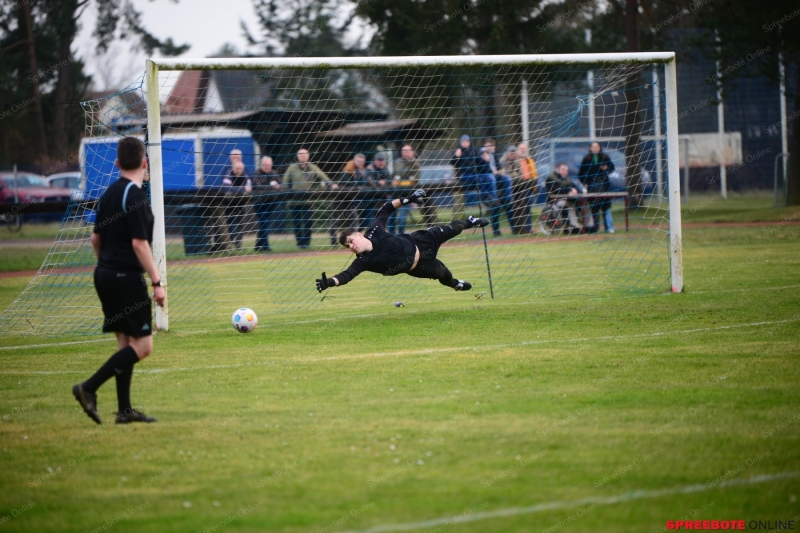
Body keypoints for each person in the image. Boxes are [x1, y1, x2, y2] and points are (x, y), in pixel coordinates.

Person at [72, 137, 164, 425]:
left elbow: (95, 238)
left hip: (104, 275)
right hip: (125, 277)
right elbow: (139, 244)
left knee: (125, 345)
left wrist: (106, 265)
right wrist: (157, 282)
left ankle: (124, 411)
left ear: (117, 163)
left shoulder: (109, 193)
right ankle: (88, 387)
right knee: (144, 346)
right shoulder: (135, 197)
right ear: (144, 164)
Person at [315, 190, 489, 293]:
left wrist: (408, 199)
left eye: (351, 241)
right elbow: (346, 276)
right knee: (444, 274)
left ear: (360, 235)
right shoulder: (363, 261)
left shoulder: (374, 230)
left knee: (455, 228)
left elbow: (386, 208)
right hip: (419, 266)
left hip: (421, 241)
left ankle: (470, 221)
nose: (351, 246)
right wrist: (329, 282)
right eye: (348, 246)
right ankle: (456, 284)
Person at [283, 148, 337, 248]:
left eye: (305, 154)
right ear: (297, 156)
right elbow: (285, 180)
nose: (303, 156)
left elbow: (323, 176)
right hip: (294, 201)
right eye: (301, 154)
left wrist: (331, 184)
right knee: (297, 224)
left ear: (308, 156)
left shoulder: (312, 167)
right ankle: (300, 244)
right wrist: (287, 189)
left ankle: (306, 243)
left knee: (308, 222)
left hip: (307, 201)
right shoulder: (292, 168)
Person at [390, 144, 437, 234]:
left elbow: (413, 180)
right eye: (404, 151)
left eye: (408, 150)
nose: (406, 153)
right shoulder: (397, 162)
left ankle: (400, 236)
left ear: (412, 152)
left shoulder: (415, 163)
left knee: (401, 219)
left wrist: (399, 181)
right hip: (395, 193)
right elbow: (393, 178)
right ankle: (391, 235)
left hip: (407, 194)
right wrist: (398, 181)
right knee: (390, 215)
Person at [330, 153, 369, 245]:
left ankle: (354, 238)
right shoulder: (346, 172)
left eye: (362, 161)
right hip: (339, 199)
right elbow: (346, 184)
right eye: (359, 161)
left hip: (349, 199)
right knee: (334, 220)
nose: (361, 163)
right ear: (354, 161)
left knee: (355, 218)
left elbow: (362, 184)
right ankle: (333, 241)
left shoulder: (361, 172)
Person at [578, 141, 615, 234]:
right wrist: (585, 183)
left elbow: (612, 168)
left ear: (600, 148)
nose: (595, 148)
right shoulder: (586, 159)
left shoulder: (605, 157)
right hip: (592, 187)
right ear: (590, 148)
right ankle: (595, 228)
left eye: (597, 146)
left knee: (606, 207)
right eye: (593, 147)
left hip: (604, 186)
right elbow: (581, 173)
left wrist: (606, 169)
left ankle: (609, 227)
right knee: (594, 208)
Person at [252, 156, 282, 252]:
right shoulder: (257, 173)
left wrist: (277, 185)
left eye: (269, 165)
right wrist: (272, 186)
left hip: (271, 203)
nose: (267, 167)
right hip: (259, 203)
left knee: (265, 224)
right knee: (264, 223)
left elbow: (281, 184)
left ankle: (258, 246)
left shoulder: (274, 173)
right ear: (261, 165)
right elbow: (257, 186)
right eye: (265, 165)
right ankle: (265, 246)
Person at [484, 139, 513, 237]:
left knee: (508, 206)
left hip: (500, 189)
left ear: (494, 147)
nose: (490, 147)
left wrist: (501, 171)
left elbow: (500, 168)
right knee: (495, 207)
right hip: (489, 191)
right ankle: (496, 231)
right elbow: (482, 171)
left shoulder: (495, 156)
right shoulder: (481, 156)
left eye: (491, 146)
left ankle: (514, 229)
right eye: (488, 145)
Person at [223, 160, 252, 250]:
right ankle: (229, 244)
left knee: (240, 224)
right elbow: (227, 187)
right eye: (237, 168)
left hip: (241, 204)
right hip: (229, 204)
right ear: (233, 168)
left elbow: (249, 188)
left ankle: (238, 246)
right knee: (231, 225)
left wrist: (240, 189)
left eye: (240, 169)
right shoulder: (228, 174)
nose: (239, 170)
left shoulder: (245, 175)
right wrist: (242, 189)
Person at [544, 162, 581, 233]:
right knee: (570, 204)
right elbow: (556, 190)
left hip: (567, 200)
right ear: (557, 169)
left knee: (573, 204)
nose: (565, 171)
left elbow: (576, 187)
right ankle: (570, 226)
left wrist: (576, 190)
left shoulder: (567, 179)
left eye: (566, 170)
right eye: (563, 169)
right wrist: (569, 190)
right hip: (554, 201)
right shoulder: (550, 178)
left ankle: (575, 226)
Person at [510, 142, 538, 234]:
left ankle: (528, 228)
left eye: (524, 149)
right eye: (521, 149)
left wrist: (534, 185)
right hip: (519, 187)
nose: (523, 150)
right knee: (521, 207)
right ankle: (521, 228)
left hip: (529, 186)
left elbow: (534, 173)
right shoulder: (515, 160)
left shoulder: (529, 160)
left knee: (528, 206)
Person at [450, 135, 478, 221]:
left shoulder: (473, 151)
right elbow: (452, 162)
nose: (465, 143)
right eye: (463, 141)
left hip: (473, 175)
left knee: (483, 181)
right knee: (458, 199)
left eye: (467, 141)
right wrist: (456, 156)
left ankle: (489, 199)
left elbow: (479, 162)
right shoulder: (458, 150)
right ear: (461, 142)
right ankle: (457, 218)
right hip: (462, 176)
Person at [364, 152, 391, 231]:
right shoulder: (370, 168)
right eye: (379, 160)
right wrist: (378, 181)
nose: (381, 162)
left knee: (386, 214)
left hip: (383, 196)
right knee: (369, 217)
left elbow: (389, 181)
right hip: (370, 197)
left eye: (382, 160)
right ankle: (371, 232)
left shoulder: (386, 169)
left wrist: (384, 183)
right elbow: (369, 182)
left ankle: (385, 231)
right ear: (375, 161)